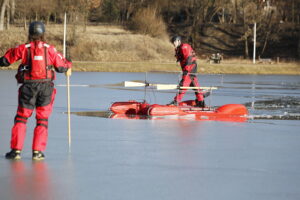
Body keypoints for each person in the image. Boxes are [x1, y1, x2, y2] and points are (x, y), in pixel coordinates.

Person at [0, 21, 72, 160]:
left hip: (28, 88)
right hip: (46, 89)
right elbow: (62, 67)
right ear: (43, 33)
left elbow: (5, 61)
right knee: (42, 119)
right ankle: (37, 152)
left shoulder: (23, 48)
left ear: (30, 34)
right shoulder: (50, 49)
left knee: (21, 117)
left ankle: (16, 151)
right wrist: (69, 63)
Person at [168, 36, 205, 107]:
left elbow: (189, 59)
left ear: (178, 41)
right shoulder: (178, 49)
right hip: (188, 69)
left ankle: (176, 101)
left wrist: (186, 71)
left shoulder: (184, 47)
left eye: (174, 42)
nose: (173, 44)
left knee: (183, 85)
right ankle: (201, 101)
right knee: (195, 85)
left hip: (190, 68)